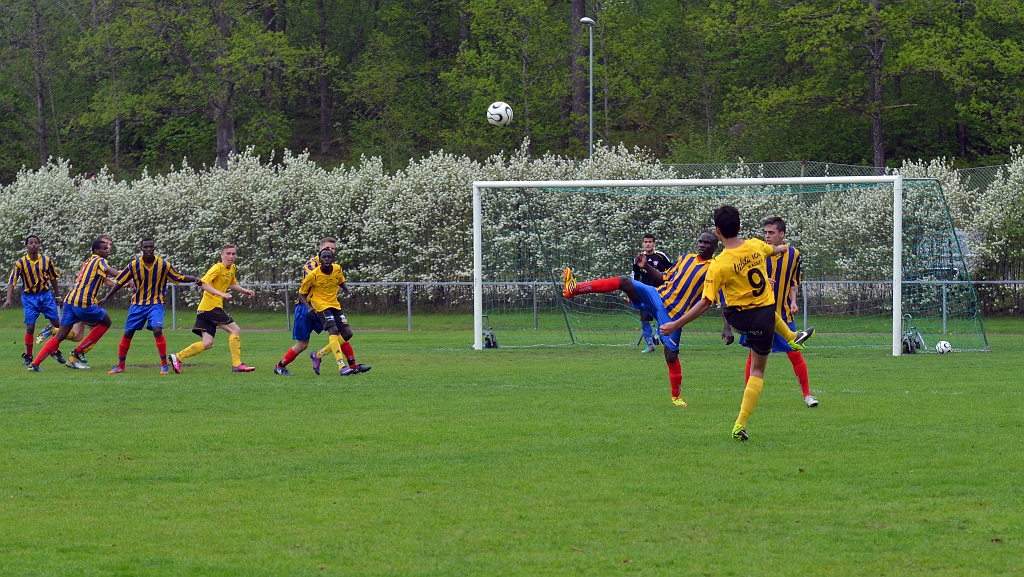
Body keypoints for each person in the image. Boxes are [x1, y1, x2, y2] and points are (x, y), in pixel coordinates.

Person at [659, 206, 813, 441]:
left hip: (739, 317)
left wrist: (676, 323)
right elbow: (775, 249)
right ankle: (740, 423)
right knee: (758, 368)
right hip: (763, 315)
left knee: (756, 358)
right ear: (740, 227)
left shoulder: (718, 264)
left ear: (717, 231)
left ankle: (793, 339)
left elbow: (704, 303)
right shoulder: (754, 245)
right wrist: (783, 248)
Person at [563, 231, 721, 406]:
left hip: (673, 315)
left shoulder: (715, 268)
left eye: (707, 243)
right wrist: (645, 266)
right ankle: (574, 289)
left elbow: (716, 299)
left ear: (715, 247)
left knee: (670, 355)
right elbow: (664, 277)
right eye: (700, 241)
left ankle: (676, 397)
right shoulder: (686, 258)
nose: (702, 245)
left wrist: (727, 327)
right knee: (624, 281)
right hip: (657, 295)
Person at [724, 217, 818, 407]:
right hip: (759, 313)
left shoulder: (794, 254)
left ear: (781, 235)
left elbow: (793, 281)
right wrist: (763, 281)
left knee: (795, 352)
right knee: (754, 354)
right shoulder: (756, 252)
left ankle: (807, 395)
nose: (767, 236)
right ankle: (747, 395)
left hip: (783, 313)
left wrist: (793, 302)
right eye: (765, 232)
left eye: (771, 233)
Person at [97, 238, 201, 374]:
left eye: (150, 247)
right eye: (145, 247)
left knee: (157, 330)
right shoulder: (133, 265)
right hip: (137, 305)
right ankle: (120, 365)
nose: (148, 249)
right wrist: (106, 297)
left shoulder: (163, 265)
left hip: (155, 304)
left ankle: (164, 365)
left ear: (154, 248)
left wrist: (195, 279)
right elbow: (120, 282)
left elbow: (178, 277)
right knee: (128, 333)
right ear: (141, 248)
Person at [29, 237, 119, 371]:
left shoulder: (89, 260)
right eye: (105, 248)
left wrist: (124, 279)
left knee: (63, 335)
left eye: (108, 247)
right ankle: (77, 353)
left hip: (70, 300)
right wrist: (128, 276)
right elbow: (112, 272)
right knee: (106, 322)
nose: (108, 250)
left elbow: (107, 278)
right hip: (83, 303)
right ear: (96, 250)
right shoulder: (100, 261)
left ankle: (35, 364)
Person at [168, 245, 256, 373]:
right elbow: (203, 283)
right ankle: (237, 364)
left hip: (205, 309)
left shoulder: (232, 268)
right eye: (228, 254)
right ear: (222, 255)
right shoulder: (217, 268)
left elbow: (231, 283)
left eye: (233, 254)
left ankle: (178, 357)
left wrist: (245, 291)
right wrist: (221, 294)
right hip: (211, 307)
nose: (231, 257)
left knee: (207, 343)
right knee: (235, 330)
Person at [272, 237, 339, 376]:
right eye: (327, 248)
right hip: (306, 307)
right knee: (303, 344)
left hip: (322, 307)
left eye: (333, 249)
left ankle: (351, 364)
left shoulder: (332, 267)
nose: (330, 251)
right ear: (320, 249)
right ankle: (280, 366)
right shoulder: (311, 265)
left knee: (339, 332)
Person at [297, 248, 369, 376]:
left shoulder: (337, 269)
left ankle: (318, 355)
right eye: (324, 257)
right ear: (319, 259)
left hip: (334, 304)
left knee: (347, 333)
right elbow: (301, 293)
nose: (327, 259)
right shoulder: (313, 275)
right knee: (333, 330)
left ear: (332, 259)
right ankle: (341, 366)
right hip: (321, 305)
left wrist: (348, 291)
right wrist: (309, 307)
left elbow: (340, 280)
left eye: (329, 257)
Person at [3, 235, 66, 365]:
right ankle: (28, 356)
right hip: (29, 297)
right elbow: (12, 281)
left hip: (45, 296)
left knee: (57, 325)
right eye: (30, 243)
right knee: (30, 327)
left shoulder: (47, 260)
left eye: (36, 243)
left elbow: (53, 278)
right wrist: (8, 299)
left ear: (39, 245)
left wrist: (58, 296)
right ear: (26, 246)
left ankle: (54, 350)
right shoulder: (20, 263)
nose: (33, 245)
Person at [633, 234, 671, 353]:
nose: (648, 244)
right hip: (645, 293)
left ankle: (667, 342)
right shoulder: (639, 258)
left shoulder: (660, 256)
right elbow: (635, 275)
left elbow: (671, 270)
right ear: (643, 244)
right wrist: (632, 291)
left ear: (654, 243)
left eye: (650, 242)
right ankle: (650, 345)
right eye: (646, 242)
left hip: (660, 292)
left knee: (662, 318)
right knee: (645, 319)